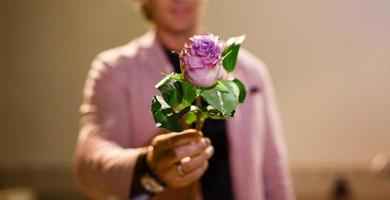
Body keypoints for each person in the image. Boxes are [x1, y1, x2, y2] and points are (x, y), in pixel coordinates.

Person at [74, 0, 295, 199]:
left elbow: (274, 172)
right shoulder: (114, 70)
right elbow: (90, 164)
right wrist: (148, 165)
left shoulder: (251, 71)